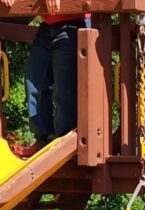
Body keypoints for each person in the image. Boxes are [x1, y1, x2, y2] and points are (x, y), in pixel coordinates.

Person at [6, 0, 88, 157]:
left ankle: (66, 146)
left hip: (70, 25)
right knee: (34, 83)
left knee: (64, 90)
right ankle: (43, 142)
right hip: (46, 27)